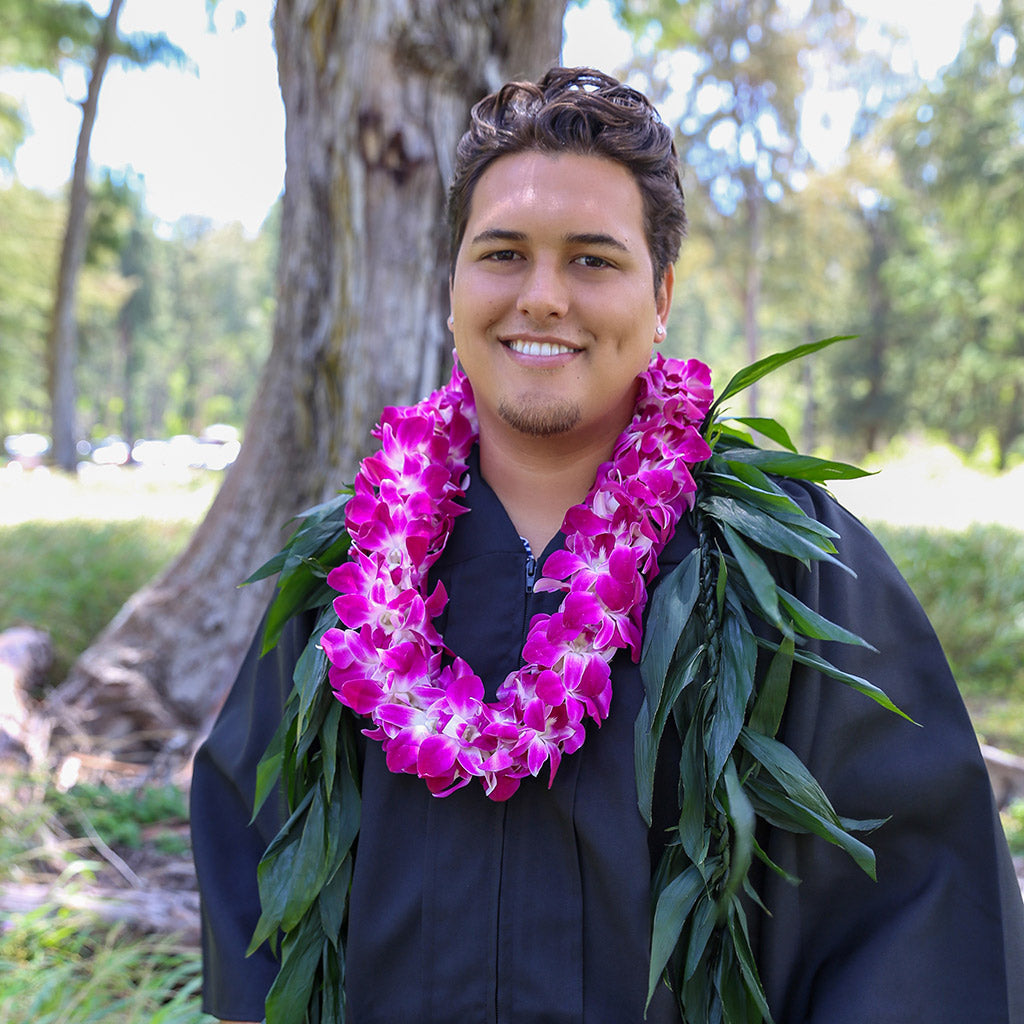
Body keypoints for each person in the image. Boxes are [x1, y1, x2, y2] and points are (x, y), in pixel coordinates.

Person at [190, 67, 1024, 1024]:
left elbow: (916, 912)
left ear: (660, 293)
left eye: (593, 260)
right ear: (452, 287)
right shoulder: (351, 577)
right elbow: (254, 872)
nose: (542, 297)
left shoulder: (788, 564)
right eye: (502, 254)